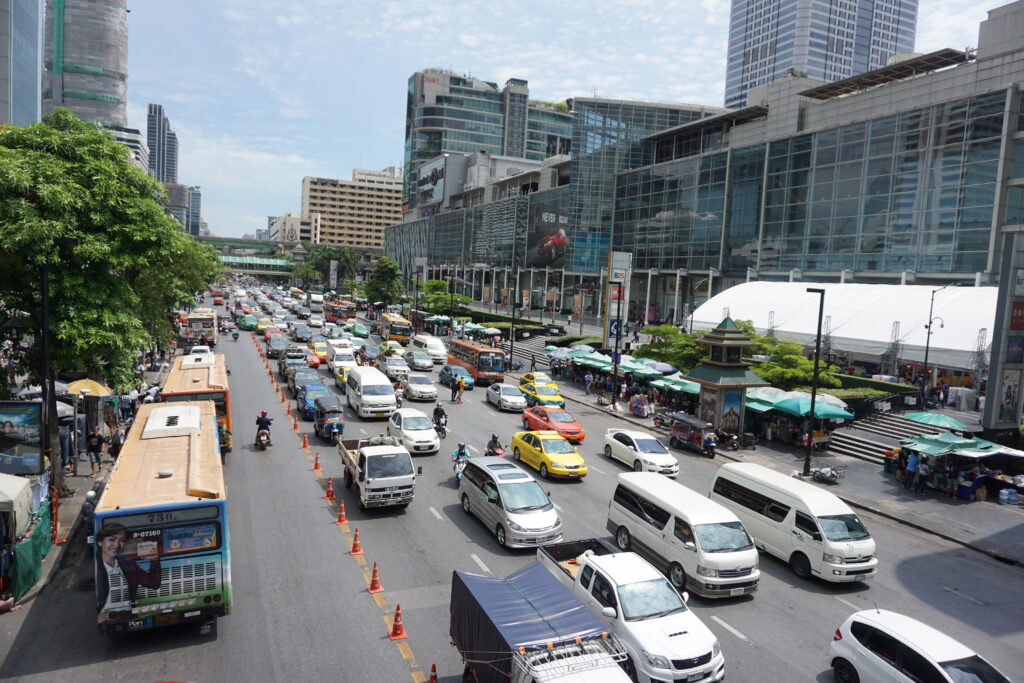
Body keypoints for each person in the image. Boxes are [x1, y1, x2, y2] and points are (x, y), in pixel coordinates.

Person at [95, 523, 162, 623]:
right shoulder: (96, 567)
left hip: (128, 617)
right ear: (100, 542)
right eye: (112, 539)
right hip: (106, 620)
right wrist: (98, 617)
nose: (117, 545)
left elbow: (154, 583)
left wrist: (155, 561)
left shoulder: (128, 564)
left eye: (121, 540)